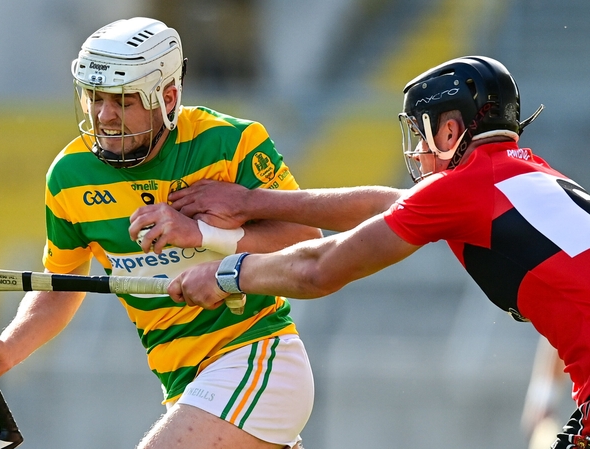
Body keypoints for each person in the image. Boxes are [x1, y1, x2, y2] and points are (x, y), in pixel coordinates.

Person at [167, 55, 590, 449]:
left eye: (421, 134)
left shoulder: (462, 189)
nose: (418, 152)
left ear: (449, 132)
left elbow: (318, 269)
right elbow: (382, 204)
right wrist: (251, 202)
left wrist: (227, 274)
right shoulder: (526, 172)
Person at [0, 17, 322, 449]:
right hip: (182, 384)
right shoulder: (69, 177)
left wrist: (201, 234)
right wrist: (11, 346)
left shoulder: (230, 144)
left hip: (257, 356)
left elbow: (307, 242)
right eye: (94, 98)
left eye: (122, 101)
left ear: (166, 97)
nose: (103, 116)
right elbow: (62, 283)